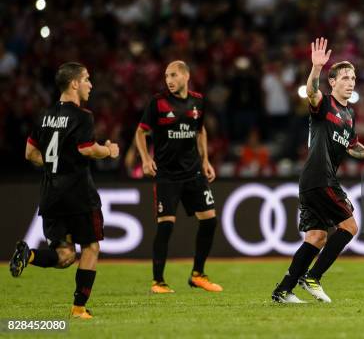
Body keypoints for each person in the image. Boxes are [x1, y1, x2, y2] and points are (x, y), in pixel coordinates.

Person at [272, 38, 364, 303]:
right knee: (349, 226)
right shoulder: (324, 104)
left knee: (317, 236)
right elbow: (311, 91)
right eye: (345, 77)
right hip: (319, 176)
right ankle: (312, 278)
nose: (350, 82)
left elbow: (352, 145)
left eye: (353, 78)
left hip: (316, 179)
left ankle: (283, 290)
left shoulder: (348, 114)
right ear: (332, 82)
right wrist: (316, 68)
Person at [10, 62, 120, 319]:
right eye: (87, 79)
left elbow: (30, 154)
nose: (90, 85)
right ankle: (79, 308)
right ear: (74, 83)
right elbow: (86, 149)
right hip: (78, 193)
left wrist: (54, 163)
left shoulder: (44, 115)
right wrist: (108, 151)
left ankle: (30, 254)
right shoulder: (83, 116)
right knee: (91, 247)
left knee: (65, 255)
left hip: (50, 193)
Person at [135, 60, 222, 294]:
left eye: (173, 75)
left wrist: (205, 161)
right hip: (167, 175)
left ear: (185, 76)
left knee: (210, 220)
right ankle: (158, 282)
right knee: (166, 226)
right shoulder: (158, 102)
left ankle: (198, 274)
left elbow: (200, 130)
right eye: (166, 76)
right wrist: (145, 159)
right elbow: (141, 132)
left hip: (193, 172)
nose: (169, 80)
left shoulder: (198, 102)